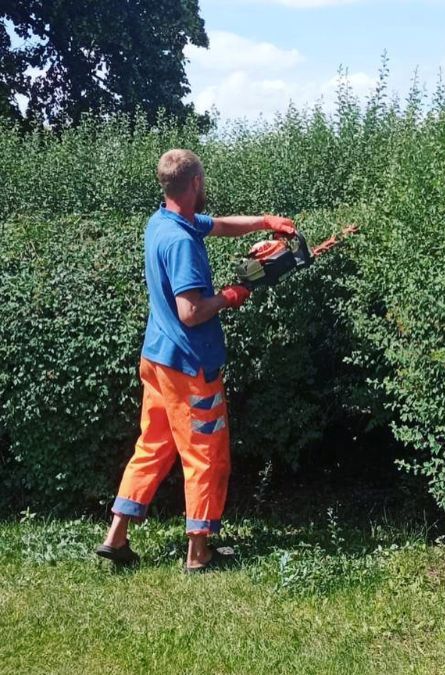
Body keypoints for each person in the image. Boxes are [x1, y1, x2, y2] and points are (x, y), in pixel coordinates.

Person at [94, 149, 299, 572]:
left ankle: (115, 537)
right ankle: (198, 553)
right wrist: (233, 294)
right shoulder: (182, 242)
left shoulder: (164, 222)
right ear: (195, 184)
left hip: (157, 360)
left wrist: (265, 222)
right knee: (206, 453)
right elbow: (191, 311)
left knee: (152, 446)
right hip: (190, 367)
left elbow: (219, 225)